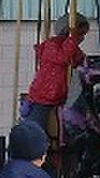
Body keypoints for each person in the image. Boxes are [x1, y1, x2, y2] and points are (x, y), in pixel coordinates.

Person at [23, 13, 91, 158]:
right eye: (80, 34)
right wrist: (72, 40)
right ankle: (33, 154)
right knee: (37, 131)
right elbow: (63, 58)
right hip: (43, 96)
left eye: (83, 35)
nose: (82, 39)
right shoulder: (51, 45)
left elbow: (81, 61)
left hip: (60, 96)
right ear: (68, 31)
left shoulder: (71, 47)